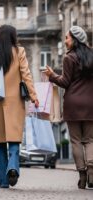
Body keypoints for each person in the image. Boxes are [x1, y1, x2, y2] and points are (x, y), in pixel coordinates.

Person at [0, 24, 39, 188]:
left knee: (0, 142)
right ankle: (13, 168)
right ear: (13, 37)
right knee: (14, 139)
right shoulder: (19, 52)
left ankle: (3, 182)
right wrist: (34, 96)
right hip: (15, 101)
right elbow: (26, 75)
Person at [44, 26, 93, 189]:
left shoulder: (69, 58)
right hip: (90, 103)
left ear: (75, 39)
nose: (65, 41)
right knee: (90, 140)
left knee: (76, 141)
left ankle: (82, 175)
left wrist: (52, 76)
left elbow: (65, 82)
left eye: (67, 37)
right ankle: (92, 172)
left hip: (73, 104)